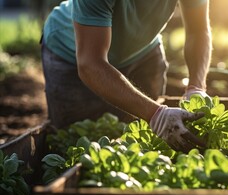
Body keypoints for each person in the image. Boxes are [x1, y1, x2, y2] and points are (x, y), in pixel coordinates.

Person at [41, 0, 212, 152]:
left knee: (146, 138)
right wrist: (156, 115)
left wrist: (196, 87)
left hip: (144, 51)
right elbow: (91, 65)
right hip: (70, 52)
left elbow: (198, 31)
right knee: (75, 142)